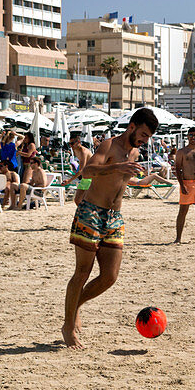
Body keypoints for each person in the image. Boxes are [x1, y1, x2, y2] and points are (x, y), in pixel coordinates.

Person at [63, 108, 164, 348]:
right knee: (82, 272)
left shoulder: (135, 152)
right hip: (91, 214)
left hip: (114, 217)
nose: (144, 140)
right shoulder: (109, 146)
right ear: (131, 126)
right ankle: (68, 326)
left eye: (148, 136)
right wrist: (114, 169)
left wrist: (146, 179)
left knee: (109, 276)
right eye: (142, 134)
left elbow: (122, 182)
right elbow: (88, 170)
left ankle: (76, 304)